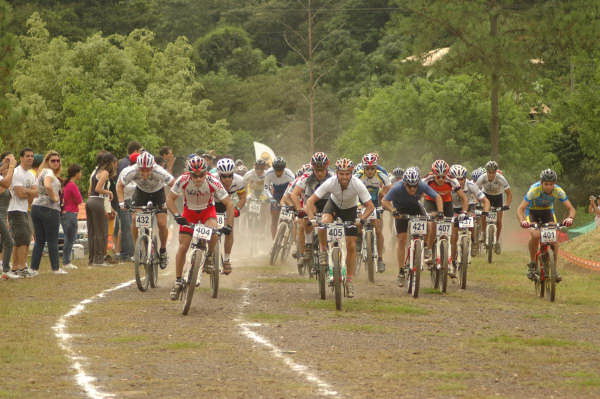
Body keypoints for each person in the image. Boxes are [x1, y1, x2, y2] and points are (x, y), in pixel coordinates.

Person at [304, 158, 374, 298]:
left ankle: (349, 280)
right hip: (333, 205)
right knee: (324, 222)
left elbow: (370, 206)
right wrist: (312, 218)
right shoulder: (331, 182)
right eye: (341, 174)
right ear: (336, 173)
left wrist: (362, 219)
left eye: (347, 174)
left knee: (351, 245)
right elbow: (310, 201)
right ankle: (324, 250)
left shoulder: (357, 184)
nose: (344, 177)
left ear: (351, 173)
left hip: (350, 209)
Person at [166, 156, 234, 299]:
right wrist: (177, 215)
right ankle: (178, 281)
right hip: (189, 212)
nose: (198, 179)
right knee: (183, 246)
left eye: (201, 175)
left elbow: (229, 204)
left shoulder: (212, 181)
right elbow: (169, 199)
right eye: (194, 176)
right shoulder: (183, 180)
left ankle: (209, 256)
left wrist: (228, 225)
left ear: (206, 172)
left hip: (207, 212)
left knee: (214, 232)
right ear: (189, 173)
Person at [382, 167, 443, 286]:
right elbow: (385, 201)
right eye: (410, 186)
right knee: (402, 239)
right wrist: (393, 210)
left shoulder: (421, 185)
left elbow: (437, 197)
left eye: (415, 186)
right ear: (404, 184)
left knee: (429, 224)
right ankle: (401, 271)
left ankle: (426, 248)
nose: (413, 189)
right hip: (400, 211)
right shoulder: (396, 188)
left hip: (416, 208)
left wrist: (440, 212)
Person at [117, 152, 174, 269]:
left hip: (158, 193)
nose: (145, 173)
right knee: (134, 219)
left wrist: (169, 200)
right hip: (141, 193)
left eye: (148, 170)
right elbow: (119, 185)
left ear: (152, 167)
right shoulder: (130, 171)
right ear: (138, 167)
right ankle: (137, 248)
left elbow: (174, 184)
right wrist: (122, 203)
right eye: (142, 170)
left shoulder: (159, 171)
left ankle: (163, 250)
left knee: (162, 223)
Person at [517, 169, 575, 281]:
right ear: (541, 182)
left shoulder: (558, 191)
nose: (549, 187)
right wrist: (522, 220)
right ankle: (533, 263)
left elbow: (571, 208)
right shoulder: (534, 190)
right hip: (532, 212)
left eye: (551, 184)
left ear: (555, 184)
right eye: (546, 184)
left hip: (548, 212)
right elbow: (520, 209)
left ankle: (554, 270)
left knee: (553, 240)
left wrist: (570, 218)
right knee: (535, 235)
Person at [291, 152, 333, 271]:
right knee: (306, 217)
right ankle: (308, 246)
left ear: (327, 167)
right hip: (311, 202)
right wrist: (299, 209)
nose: (319, 173)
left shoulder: (333, 175)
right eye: (317, 170)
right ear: (313, 168)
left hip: (328, 202)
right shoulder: (306, 176)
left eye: (322, 170)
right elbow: (294, 194)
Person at [448, 164, 490, 275]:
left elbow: (485, 200)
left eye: (462, 179)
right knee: (453, 235)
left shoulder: (471, 185)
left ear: (465, 178)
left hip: (469, 206)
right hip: (453, 208)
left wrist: (485, 212)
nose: (460, 181)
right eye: (457, 179)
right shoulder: (448, 185)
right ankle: (452, 261)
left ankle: (474, 242)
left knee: (472, 222)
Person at [422, 160, 468, 259]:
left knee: (449, 231)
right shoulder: (427, 179)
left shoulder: (452, 180)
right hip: (431, 201)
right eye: (438, 176)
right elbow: (417, 192)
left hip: (447, 203)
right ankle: (428, 249)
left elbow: (464, 198)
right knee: (432, 225)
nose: (441, 179)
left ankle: (449, 258)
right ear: (433, 174)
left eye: (443, 176)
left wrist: (464, 213)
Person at [30, 150, 67, 274]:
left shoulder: (40, 173)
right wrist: (55, 198)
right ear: (47, 162)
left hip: (36, 207)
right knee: (52, 239)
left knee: (39, 240)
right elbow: (48, 185)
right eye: (53, 160)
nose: (56, 163)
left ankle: (33, 268)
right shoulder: (49, 172)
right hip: (49, 208)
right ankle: (55, 268)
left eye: (58, 160)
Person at [354, 153, 392, 272]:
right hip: (361, 201)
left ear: (376, 168)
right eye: (367, 169)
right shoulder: (358, 175)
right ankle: (359, 238)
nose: (370, 171)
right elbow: (352, 190)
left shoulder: (381, 174)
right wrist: (358, 206)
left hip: (375, 202)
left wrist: (382, 194)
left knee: (379, 229)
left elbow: (389, 187)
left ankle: (380, 259)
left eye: (372, 169)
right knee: (359, 221)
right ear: (363, 168)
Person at [7, 148, 37, 278]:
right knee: (20, 238)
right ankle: (17, 267)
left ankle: (22, 266)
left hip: (25, 209)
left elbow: (36, 192)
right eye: (27, 156)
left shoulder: (31, 174)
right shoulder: (17, 173)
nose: (30, 158)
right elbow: (19, 193)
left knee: (26, 237)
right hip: (14, 209)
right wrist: (29, 191)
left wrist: (28, 192)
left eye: (32, 156)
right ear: (21, 158)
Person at [215, 158, 247, 273]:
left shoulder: (239, 181)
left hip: (228, 205)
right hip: (212, 203)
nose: (227, 179)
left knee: (229, 230)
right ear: (219, 175)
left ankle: (227, 260)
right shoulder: (212, 179)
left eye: (230, 175)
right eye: (224, 176)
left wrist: (237, 209)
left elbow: (243, 198)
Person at [475, 160, 512, 254]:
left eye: (493, 172)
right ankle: (483, 233)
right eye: (489, 172)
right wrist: (476, 202)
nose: (491, 175)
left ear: (496, 172)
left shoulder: (501, 178)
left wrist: (507, 205)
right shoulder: (482, 178)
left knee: (499, 221)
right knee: (484, 214)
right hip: (486, 196)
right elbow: (475, 191)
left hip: (498, 197)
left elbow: (509, 194)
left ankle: (497, 241)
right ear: (486, 171)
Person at [86, 152, 115, 266]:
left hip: (89, 201)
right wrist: (109, 192)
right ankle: (99, 260)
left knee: (92, 231)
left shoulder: (95, 172)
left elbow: (90, 190)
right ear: (109, 162)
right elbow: (98, 188)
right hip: (98, 201)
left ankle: (92, 259)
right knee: (101, 231)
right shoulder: (105, 173)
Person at [264, 157, 295, 238]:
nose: (278, 172)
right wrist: (271, 199)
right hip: (276, 194)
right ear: (273, 168)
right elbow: (266, 188)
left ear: (284, 168)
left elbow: (294, 189)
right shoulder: (268, 173)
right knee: (274, 219)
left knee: (292, 215)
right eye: (276, 170)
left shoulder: (289, 174)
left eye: (280, 170)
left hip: (287, 193)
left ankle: (292, 237)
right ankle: (274, 241)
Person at [61, 164, 83, 270]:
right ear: (76, 173)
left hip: (65, 213)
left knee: (68, 237)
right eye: (80, 172)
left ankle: (66, 260)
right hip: (71, 213)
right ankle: (66, 261)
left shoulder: (66, 184)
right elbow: (79, 200)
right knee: (70, 238)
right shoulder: (72, 185)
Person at [0, 153, 17, 279]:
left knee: (5, 242)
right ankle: (6, 270)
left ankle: (5, 268)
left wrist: (7, 163)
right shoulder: (3, 181)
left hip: (3, 215)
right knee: (9, 242)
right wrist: (11, 166)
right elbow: (6, 183)